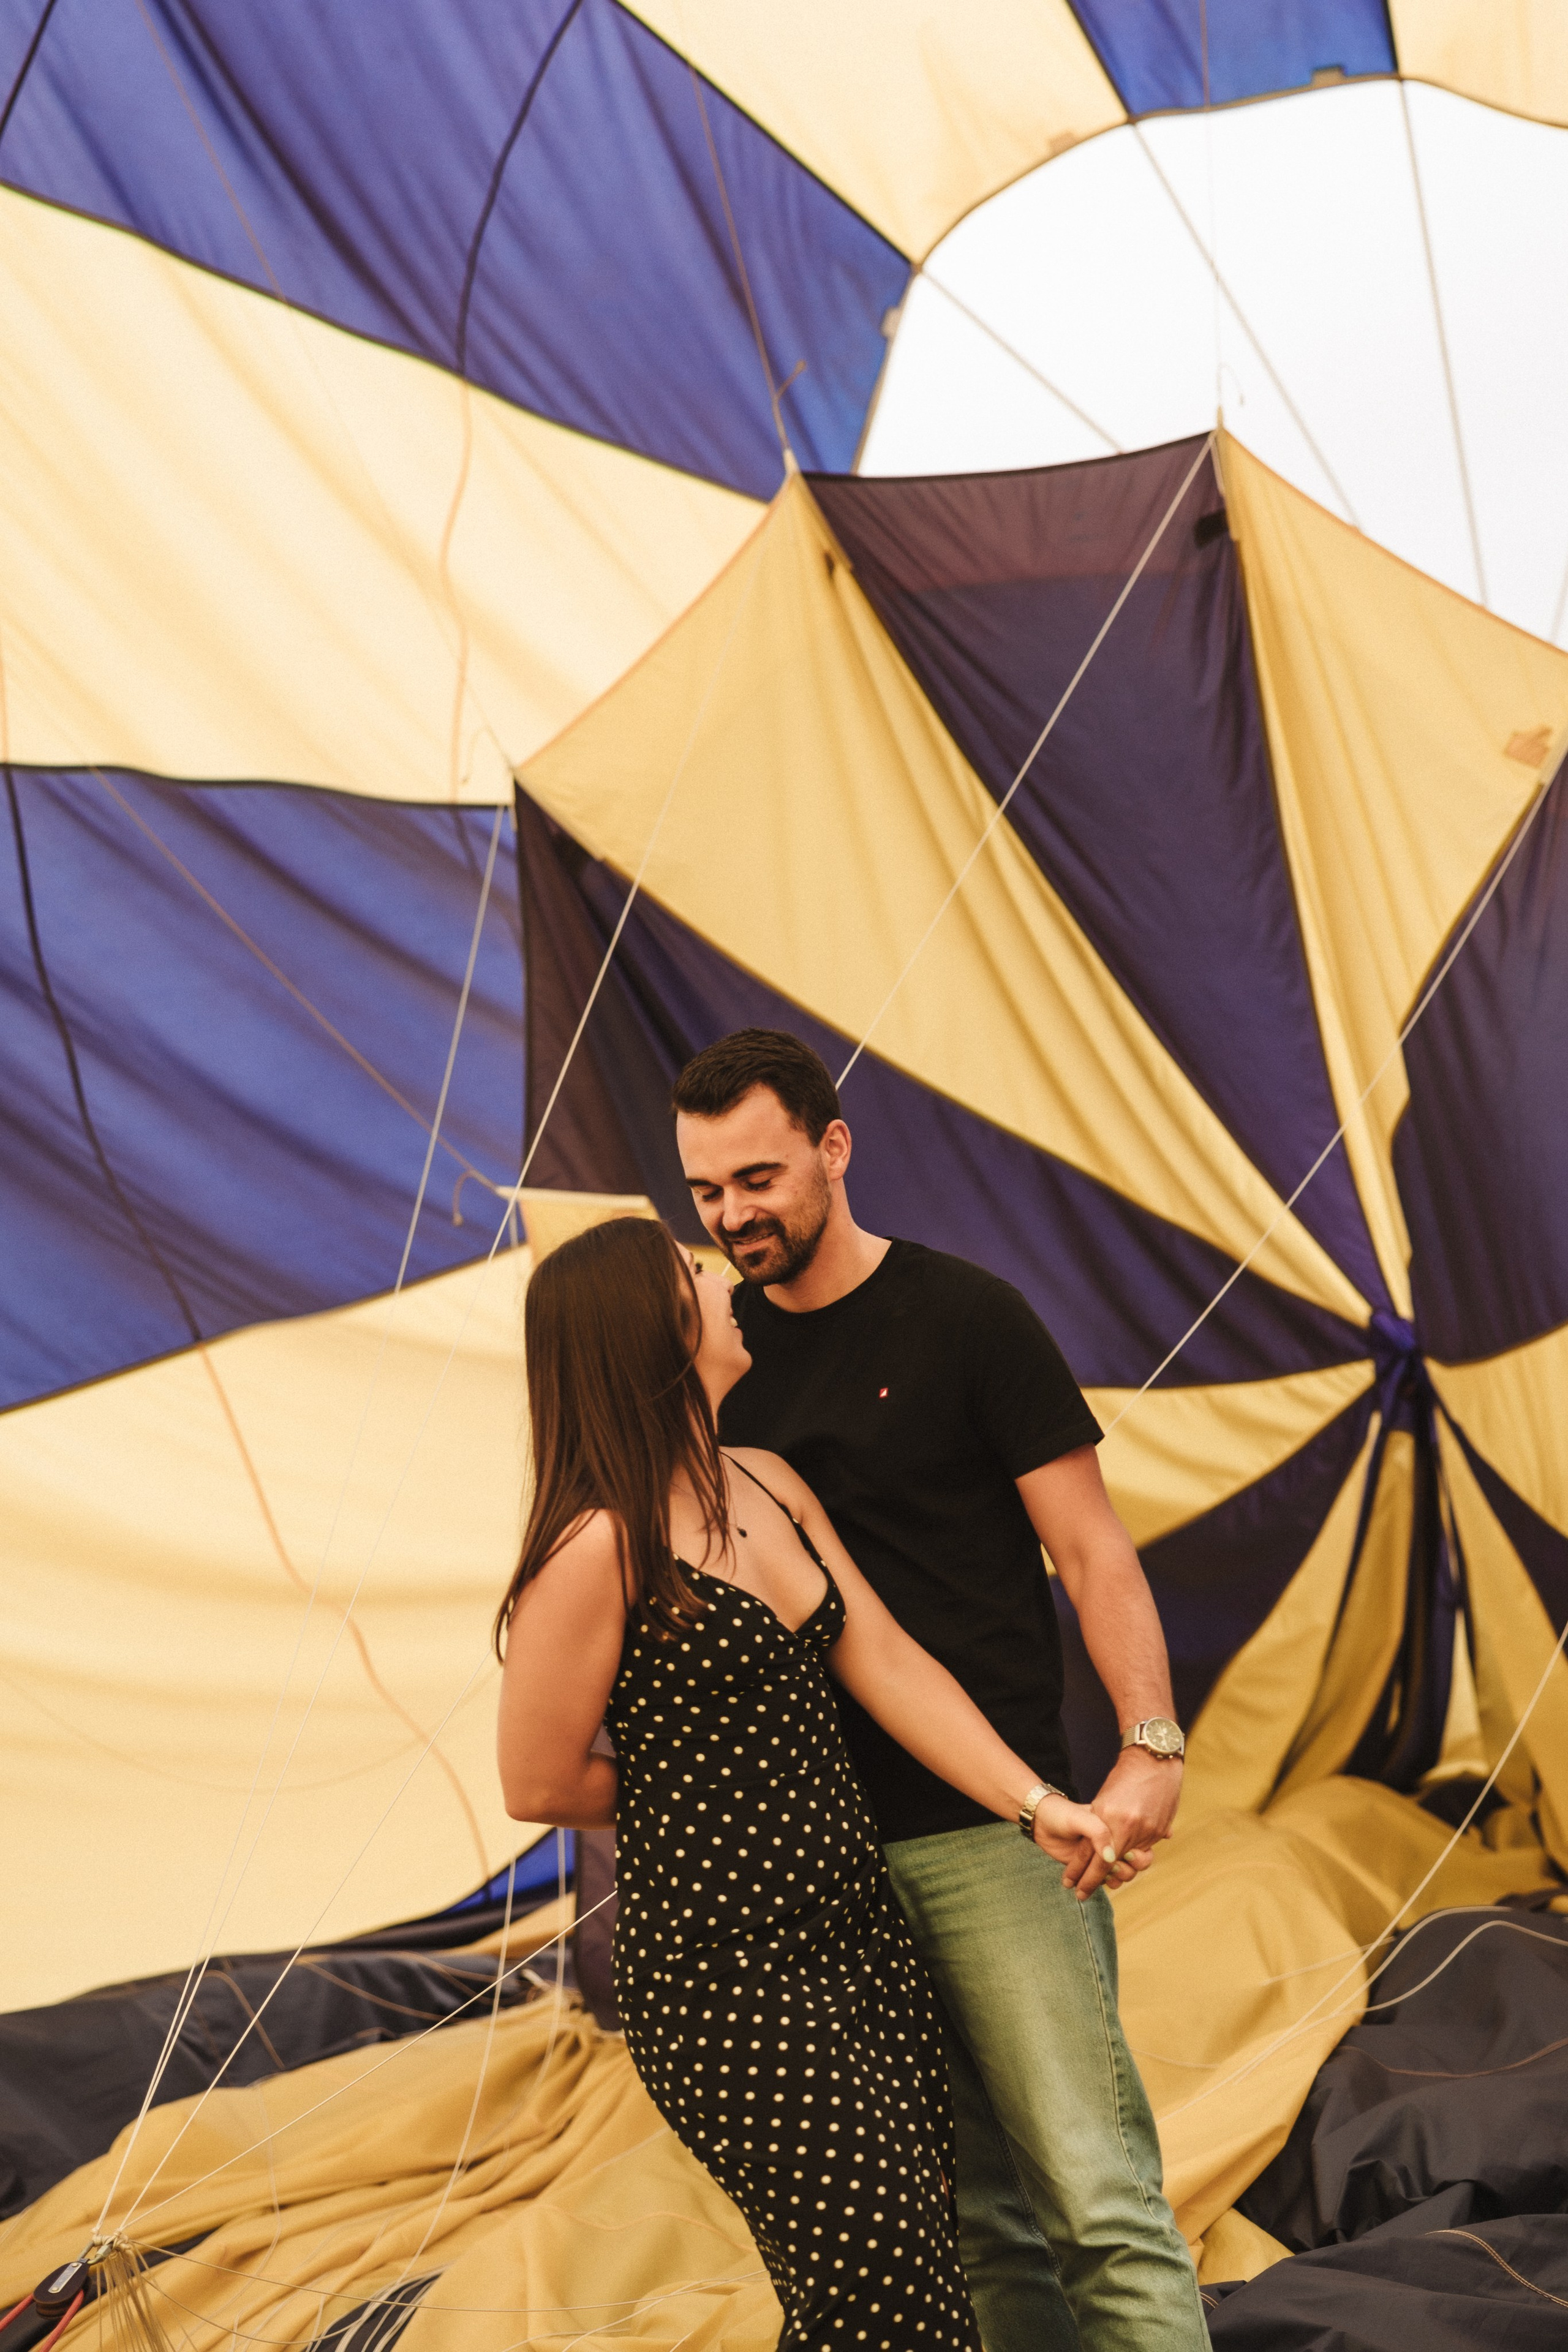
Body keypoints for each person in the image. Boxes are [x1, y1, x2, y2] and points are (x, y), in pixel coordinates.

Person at [494, 1214, 1125, 2352]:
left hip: (855, 1939)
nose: (719, 1271)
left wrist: (1038, 1804)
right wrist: (704, 1798)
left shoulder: (769, 1482)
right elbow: (536, 1780)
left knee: (920, 2265)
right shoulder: (598, 1548)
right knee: (885, 2296)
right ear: (657, 1333)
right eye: (691, 1269)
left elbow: (884, 1661)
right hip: (725, 1977)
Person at [673, 1031, 1210, 2352]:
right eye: (703, 1192)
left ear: (832, 1149)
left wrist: (1149, 1743)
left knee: (1094, 2198)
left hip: (996, 1833)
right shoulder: (709, 1364)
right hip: (820, 1870)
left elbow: (1092, 1553)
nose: (733, 1215)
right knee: (967, 2222)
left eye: (757, 1178)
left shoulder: (969, 1318)